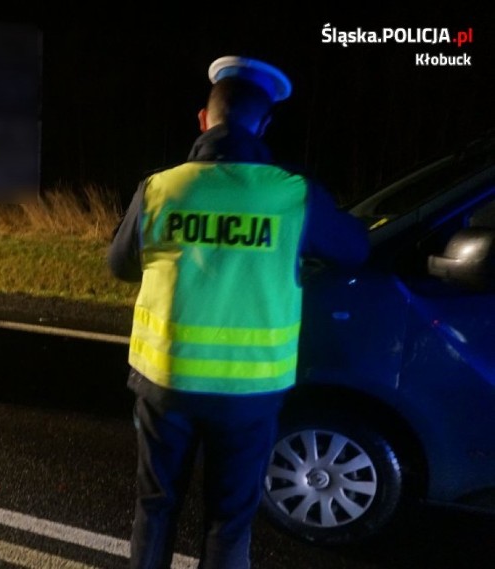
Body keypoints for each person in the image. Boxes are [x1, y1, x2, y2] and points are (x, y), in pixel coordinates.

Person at [108, 55, 370, 569]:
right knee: (229, 523)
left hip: (166, 384)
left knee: (156, 507)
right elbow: (356, 250)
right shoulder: (293, 196)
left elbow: (119, 265)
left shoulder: (160, 188)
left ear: (204, 120)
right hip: (249, 394)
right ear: (265, 124)